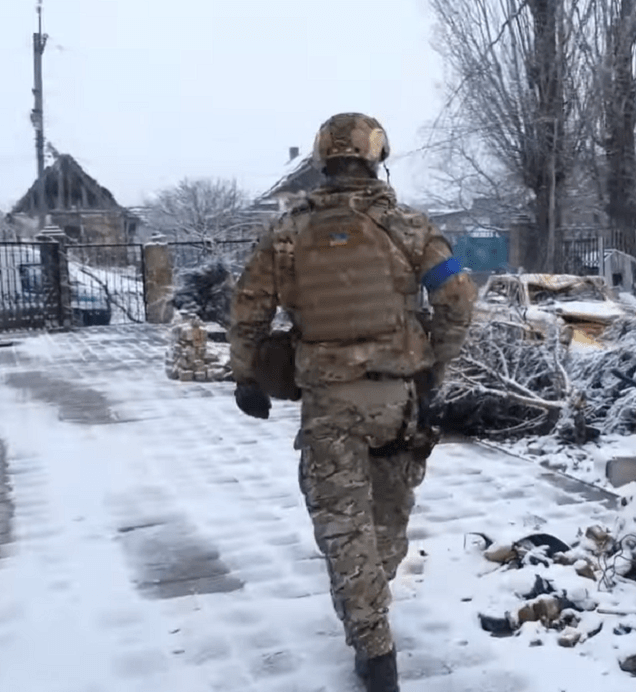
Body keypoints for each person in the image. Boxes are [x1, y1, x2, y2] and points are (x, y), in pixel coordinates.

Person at [228, 113, 475, 692]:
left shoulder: (286, 232)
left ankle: (372, 639)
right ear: (376, 156)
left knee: (345, 527)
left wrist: (245, 376)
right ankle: (372, 620)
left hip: (328, 404)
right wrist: (437, 366)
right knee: (386, 520)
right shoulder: (411, 226)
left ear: (323, 160)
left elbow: (250, 307)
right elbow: (458, 298)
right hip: (399, 399)